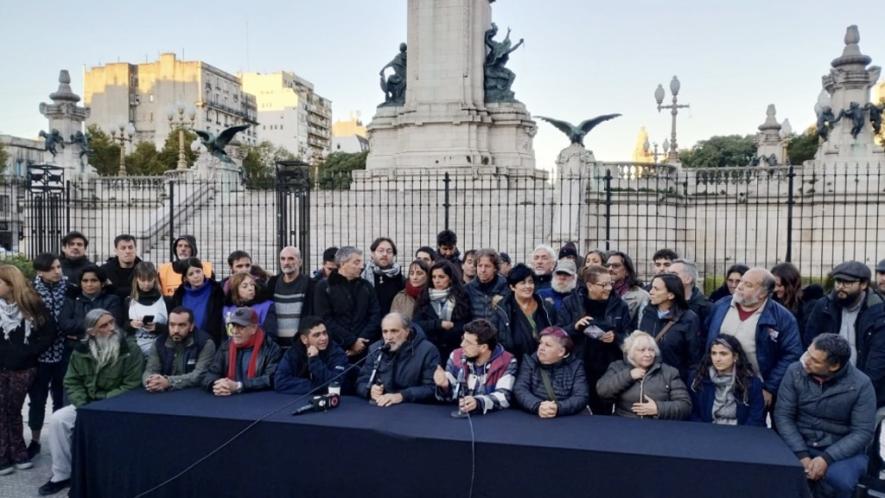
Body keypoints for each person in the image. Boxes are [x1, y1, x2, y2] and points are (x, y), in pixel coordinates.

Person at [39, 309, 143, 496]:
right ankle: (62, 475)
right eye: (104, 325)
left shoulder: (130, 348)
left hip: (118, 406)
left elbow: (132, 384)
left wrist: (100, 404)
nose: (111, 328)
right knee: (58, 419)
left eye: (112, 322)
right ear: (91, 332)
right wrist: (83, 405)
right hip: (87, 404)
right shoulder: (81, 350)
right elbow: (71, 381)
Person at [775, 334, 876, 498]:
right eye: (808, 353)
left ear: (834, 366)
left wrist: (827, 458)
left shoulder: (861, 385)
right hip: (799, 441)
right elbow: (783, 415)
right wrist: (801, 453)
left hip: (840, 449)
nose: (806, 360)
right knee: (777, 470)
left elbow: (862, 432)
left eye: (814, 360)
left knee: (839, 480)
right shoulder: (794, 371)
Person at [706, 267, 803, 413]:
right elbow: (705, 338)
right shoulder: (720, 306)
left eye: (748, 285)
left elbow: (792, 354)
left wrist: (769, 387)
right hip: (718, 382)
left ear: (762, 294)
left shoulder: (783, 318)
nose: (739, 286)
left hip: (756, 387)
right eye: (741, 281)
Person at [0, 265, 55, 475]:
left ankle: (18, 452)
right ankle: (5, 456)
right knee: (1, 410)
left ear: (11, 284)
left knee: (12, 409)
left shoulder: (33, 304)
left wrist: (28, 352)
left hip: (23, 367)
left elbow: (49, 333)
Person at [803, 261, 885, 404]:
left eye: (847, 283)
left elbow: (878, 358)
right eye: (838, 281)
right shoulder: (823, 306)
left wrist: (862, 392)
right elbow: (810, 343)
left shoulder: (878, 312)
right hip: (824, 380)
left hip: (862, 386)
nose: (840, 287)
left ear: (863, 285)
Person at [558, 264, 631, 415]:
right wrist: (575, 328)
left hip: (609, 367)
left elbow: (629, 335)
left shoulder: (620, 305)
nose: (609, 288)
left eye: (611, 283)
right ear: (590, 285)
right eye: (603, 285)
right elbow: (558, 333)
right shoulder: (570, 303)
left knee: (604, 410)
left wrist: (616, 337)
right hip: (578, 364)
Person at [27, 254, 69, 459]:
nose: (58, 271)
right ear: (40, 272)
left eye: (59, 267)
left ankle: (60, 440)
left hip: (64, 352)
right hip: (40, 356)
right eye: (52, 268)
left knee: (61, 399)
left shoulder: (69, 286)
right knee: (37, 400)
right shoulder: (30, 292)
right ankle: (35, 441)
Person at [596, 331, 692, 420]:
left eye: (651, 350)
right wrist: (628, 376)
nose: (648, 354)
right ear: (630, 352)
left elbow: (685, 406)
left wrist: (659, 409)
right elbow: (602, 391)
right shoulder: (617, 367)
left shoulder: (669, 372)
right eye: (642, 350)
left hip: (658, 427)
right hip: (624, 424)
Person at [433, 319, 518, 414]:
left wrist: (478, 402)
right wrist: (444, 386)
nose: (462, 345)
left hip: (492, 420)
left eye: (468, 342)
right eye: (463, 339)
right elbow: (451, 396)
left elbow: (503, 397)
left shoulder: (507, 361)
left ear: (483, 347)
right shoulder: (456, 355)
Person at [356, 313, 440, 406]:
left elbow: (431, 388)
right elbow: (361, 381)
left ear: (407, 331)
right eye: (385, 331)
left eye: (394, 331)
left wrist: (402, 396)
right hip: (381, 407)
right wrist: (370, 390)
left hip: (414, 409)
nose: (389, 337)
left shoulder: (427, 350)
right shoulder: (375, 349)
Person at [314, 247, 381, 359]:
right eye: (356, 262)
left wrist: (361, 341)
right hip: (335, 349)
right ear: (343, 263)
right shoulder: (324, 287)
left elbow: (375, 315)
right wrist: (351, 341)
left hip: (364, 350)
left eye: (361, 262)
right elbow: (324, 319)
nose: (361, 266)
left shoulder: (366, 286)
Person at [636, 272, 702, 380]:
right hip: (647, 377)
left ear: (671, 295)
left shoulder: (688, 319)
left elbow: (693, 358)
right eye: (651, 287)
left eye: (656, 289)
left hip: (674, 380)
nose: (651, 292)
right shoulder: (647, 313)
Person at [203, 307, 283, 395]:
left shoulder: (271, 348)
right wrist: (217, 385)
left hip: (259, 401)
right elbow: (210, 374)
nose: (234, 331)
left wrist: (238, 386)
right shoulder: (225, 347)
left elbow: (271, 379)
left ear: (253, 328)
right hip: (228, 400)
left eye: (241, 327)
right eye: (233, 326)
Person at [513, 327, 589, 418]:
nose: (541, 348)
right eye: (540, 343)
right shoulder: (529, 362)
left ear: (561, 352)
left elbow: (581, 396)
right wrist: (537, 406)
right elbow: (520, 389)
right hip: (536, 416)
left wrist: (558, 408)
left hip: (566, 418)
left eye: (547, 345)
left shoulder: (575, 366)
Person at [689, 335, 765, 426]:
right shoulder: (699, 379)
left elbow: (756, 418)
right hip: (707, 432)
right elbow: (693, 413)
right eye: (713, 353)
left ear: (735, 357)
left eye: (723, 354)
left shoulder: (751, 384)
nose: (717, 359)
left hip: (741, 434)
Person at [490, 263, 555, 361]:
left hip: (545, 362)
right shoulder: (502, 310)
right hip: (515, 363)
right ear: (512, 287)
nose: (528, 286)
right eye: (523, 283)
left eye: (530, 282)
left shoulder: (546, 307)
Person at [142, 307, 216, 391]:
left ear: (191, 326)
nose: (176, 330)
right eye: (172, 325)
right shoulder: (159, 343)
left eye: (182, 325)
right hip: (164, 393)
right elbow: (150, 370)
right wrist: (150, 382)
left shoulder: (205, 343)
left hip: (194, 393)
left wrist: (169, 381)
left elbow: (199, 375)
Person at [414, 260, 472, 363]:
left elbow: (466, 323)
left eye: (441, 277)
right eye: (434, 277)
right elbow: (416, 324)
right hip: (429, 351)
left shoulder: (461, 297)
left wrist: (453, 328)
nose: (437, 280)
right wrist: (439, 324)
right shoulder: (424, 296)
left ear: (450, 279)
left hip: (455, 350)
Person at [274, 316, 348, 395]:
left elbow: (336, 384)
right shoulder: (293, 352)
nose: (323, 338)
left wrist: (314, 361)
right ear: (304, 339)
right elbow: (280, 382)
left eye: (325, 333)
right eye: (317, 335)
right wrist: (317, 386)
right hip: (299, 400)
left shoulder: (337, 352)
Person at [59, 265, 125, 341]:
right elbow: (65, 324)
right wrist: (99, 324)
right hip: (75, 347)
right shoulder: (71, 301)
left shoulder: (112, 300)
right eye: (85, 281)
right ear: (80, 283)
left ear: (102, 283)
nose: (89, 284)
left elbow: (113, 325)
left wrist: (80, 335)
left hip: (105, 343)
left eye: (94, 280)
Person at [169, 258, 225, 345]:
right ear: (185, 279)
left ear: (203, 272)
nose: (196, 276)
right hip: (185, 342)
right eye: (191, 274)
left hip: (210, 342)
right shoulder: (179, 294)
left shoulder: (216, 291)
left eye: (198, 271)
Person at [266, 246, 313, 347]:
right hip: (275, 346)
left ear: (300, 262)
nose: (286, 262)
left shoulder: (310, 284)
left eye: (291, 258)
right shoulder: (272, 283)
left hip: (300, 347)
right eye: (283, 259)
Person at [772, 262, 824, 339]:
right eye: (773, 285)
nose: (775, 289)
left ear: (790, 284)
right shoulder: (772, 302)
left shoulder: (808, 305)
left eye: (779, 285)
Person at [126, 262, 168, 355]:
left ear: (155, 278)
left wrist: (157, 327)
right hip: (136, 353)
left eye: (150, 279)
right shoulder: (128, 301)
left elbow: (173, 328)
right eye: (143, 280)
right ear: (136, 279)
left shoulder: (166, 301)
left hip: (160, 351)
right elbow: (121, 327)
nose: (146, 284)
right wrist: (131, 324)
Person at [223, 272, 278, 339]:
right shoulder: (227, 309)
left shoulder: (266, 306)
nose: (250, 288)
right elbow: (223, 336)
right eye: (244, 286)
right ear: (236, 290)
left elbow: (270, 336)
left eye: (252, 285)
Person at [362, 237, 405, 316]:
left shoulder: (400, 279)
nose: (385, 254)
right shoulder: (362, 276)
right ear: (372, 253)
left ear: (393, 255)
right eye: (381, 251)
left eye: (389, 251)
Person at [669, 259, 712, 333]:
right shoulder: (663, 302)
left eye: (674, 274)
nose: (667, 278)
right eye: (667, 274)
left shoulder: (706, 308)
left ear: (688, 279)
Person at [465, 249, 509, 320]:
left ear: (495, 268)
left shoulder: (505, 287)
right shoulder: (468, 289)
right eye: (480, 266)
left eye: (487, 266)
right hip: (475, 329)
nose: (483, 270)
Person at [607, 250, 649, 323]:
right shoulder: (601, 292)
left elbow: (642, 324)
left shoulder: (641, 296)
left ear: (627, 271)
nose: (610, 269)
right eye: (608, 266)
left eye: (616, 266)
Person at [100, 234, 142, 300]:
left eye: (130, 247)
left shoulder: (144, 270)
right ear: (116, 251)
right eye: (123, 248)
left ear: (135, 249)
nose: (127, 251)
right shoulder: (104, 270)